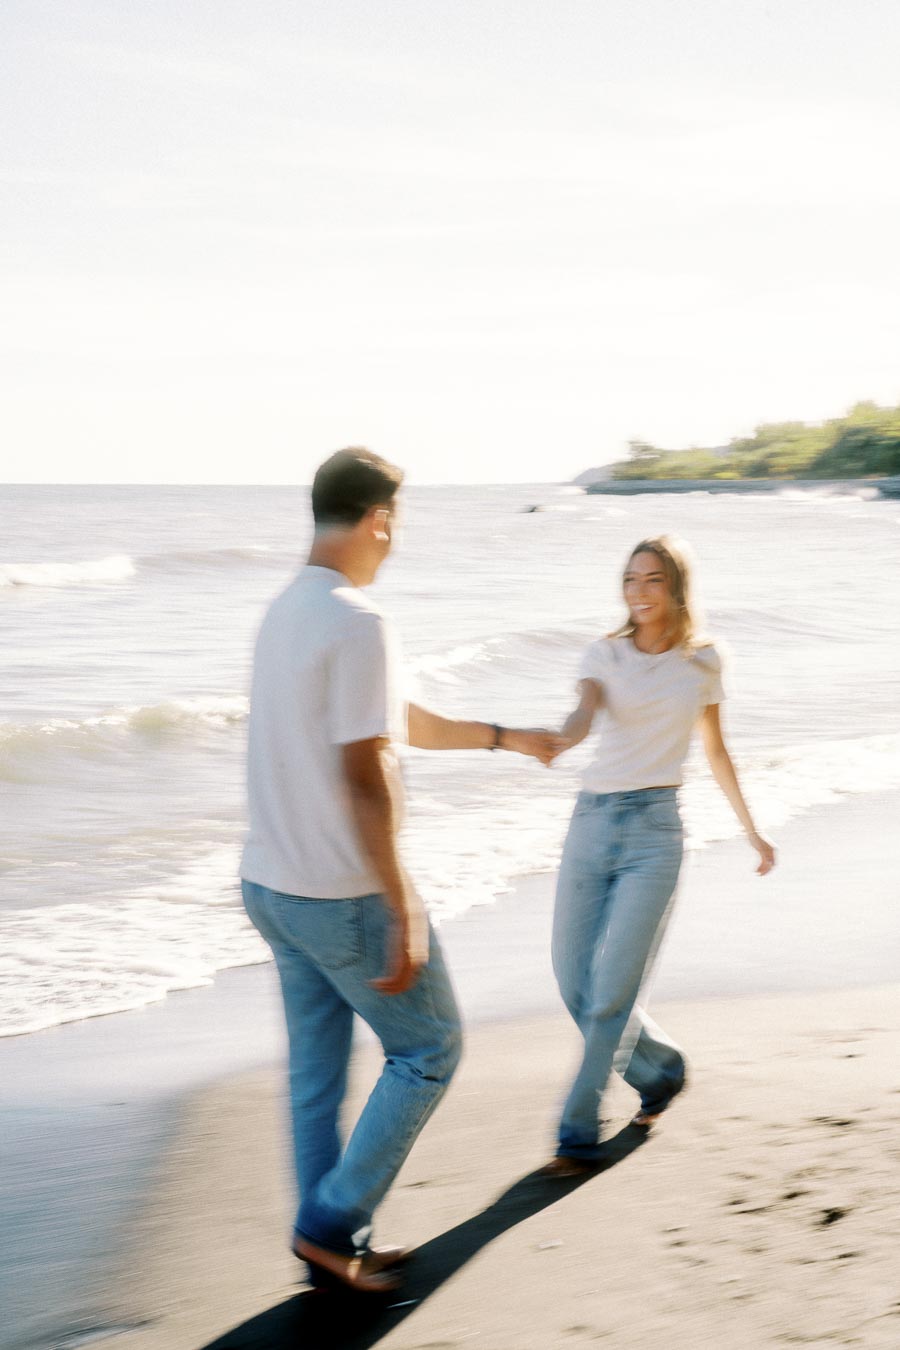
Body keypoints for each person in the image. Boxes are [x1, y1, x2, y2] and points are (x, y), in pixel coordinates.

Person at [241, 447, 564, 1291]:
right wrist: (404, 900)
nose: (394, 543)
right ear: (379, 518)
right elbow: (366, 768)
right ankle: (328, 1225)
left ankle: (330, 1245)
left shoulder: (284, 612)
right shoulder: (359, 619)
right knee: (430, 1049)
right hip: (341, 896)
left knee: (316, 1078)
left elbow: (396, 721)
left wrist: (504, 736)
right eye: (396, 525)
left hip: (271, 887)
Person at [544, 535, 775, 1176]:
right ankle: (662, 1070)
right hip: (590, 824)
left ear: (676, 588)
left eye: (652, 581)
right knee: (574, 980)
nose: (638, 592)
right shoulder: (605, 653)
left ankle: (575, 1132)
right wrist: (560, 737)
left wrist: (752, 830)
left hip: (655, 833)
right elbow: (584, 710)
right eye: (630, 580)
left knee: (612, 990)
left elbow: (717, 750)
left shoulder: (703, 662)